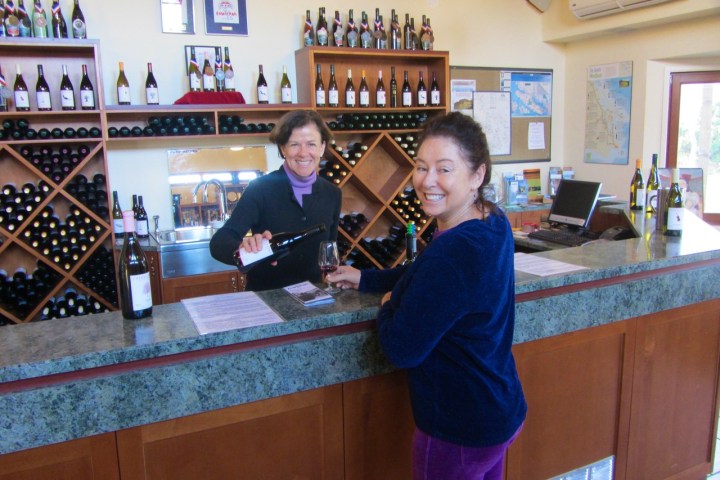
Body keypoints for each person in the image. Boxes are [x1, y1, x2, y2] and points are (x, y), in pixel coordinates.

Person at [328, 112, 526, 479]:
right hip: (499, 408)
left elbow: (402, 348)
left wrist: (387, 306)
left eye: (445, 169)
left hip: (459, 429)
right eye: (421, 166)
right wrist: (367, 279)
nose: (427, 180)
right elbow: (429, 277)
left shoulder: (454, 252)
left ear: (477, 175)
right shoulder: (492, 220)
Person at [210, 110, 342, 291]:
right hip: (266, 299)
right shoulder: (260, 189)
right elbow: (219, 243)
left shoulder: (332, 193)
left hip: (313, 298)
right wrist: (242, 247)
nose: (304, 153)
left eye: (311, 144)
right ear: (282, 148)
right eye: (294, 144)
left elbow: (330, 250)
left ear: (322, 147)